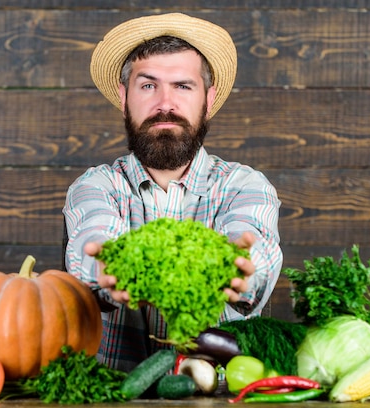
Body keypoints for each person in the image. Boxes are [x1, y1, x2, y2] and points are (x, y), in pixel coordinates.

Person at [63, 13, 283, 372]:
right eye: (148, 86)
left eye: (183, 86)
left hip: (219, 394)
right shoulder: (96, 186)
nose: (165, 103)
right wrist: (103, 270)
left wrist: (244, 270)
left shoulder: (244, 186)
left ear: (208, 100)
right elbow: (94, 234)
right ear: (124, 97)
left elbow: (253, 244)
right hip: (114, 394)